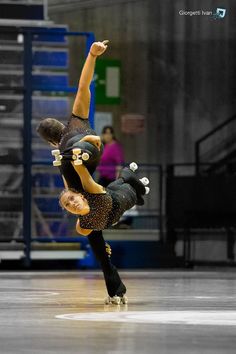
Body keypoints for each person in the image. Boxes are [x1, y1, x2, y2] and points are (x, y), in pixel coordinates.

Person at [37, 40, 127, 304]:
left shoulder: (61, 148)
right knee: (95, 231)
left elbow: (69, 186)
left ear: (51, 141)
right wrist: (92, 54)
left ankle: (115, 288)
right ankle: (115, 287)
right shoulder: (77, 116)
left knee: (94, 234)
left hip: (78, 159)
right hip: (86, 149)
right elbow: (83, 85)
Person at [60, 162, 149, 235]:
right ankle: (134, 182)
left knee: (126, 180)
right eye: (67, 205)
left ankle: (131, 172)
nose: (71, 203)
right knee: (129, 192)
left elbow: (82, 173)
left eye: (71, 198)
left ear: (81, 195)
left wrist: (71, 161)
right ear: (68, 210)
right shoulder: (82, 227)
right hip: (124, 199)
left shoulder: (93, 192)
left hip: (123, 193)